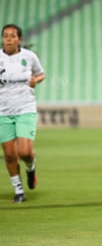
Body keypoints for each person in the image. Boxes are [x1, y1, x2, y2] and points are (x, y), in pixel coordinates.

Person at [0, 24, 45, 203]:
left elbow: (41, 74)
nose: (9, 38)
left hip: (25, 108)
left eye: (12, 36)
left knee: (25, 152)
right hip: (2, 112)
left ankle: (30, 167)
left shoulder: (29, 56)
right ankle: (19, 191)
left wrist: (35, 80)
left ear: (19, 39)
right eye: (6, 36)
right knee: (10, 155)